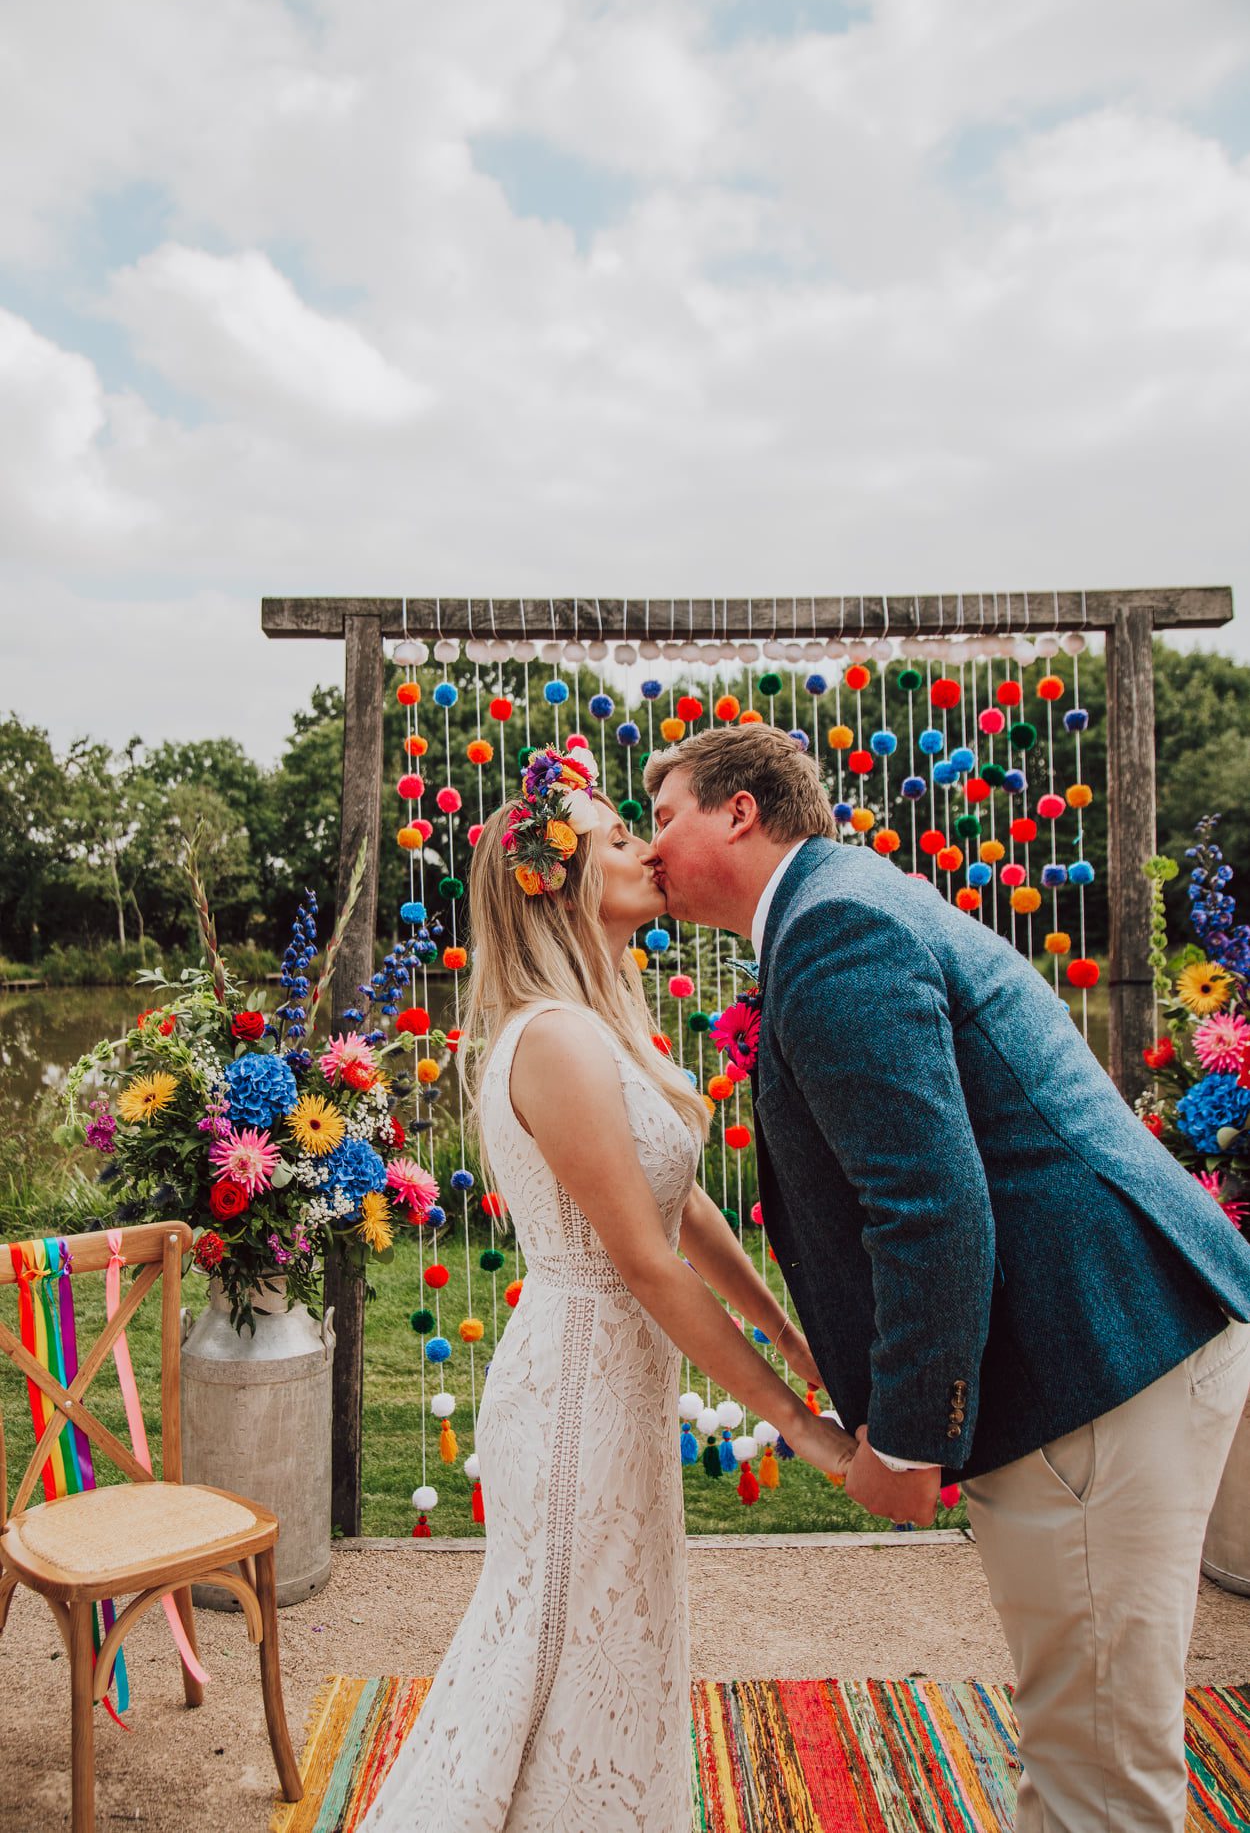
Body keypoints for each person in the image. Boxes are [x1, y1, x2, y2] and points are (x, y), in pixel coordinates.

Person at [642, 721, 1250, 1833]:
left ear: (738, 811)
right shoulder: (843, 899)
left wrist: (909, 1439)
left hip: (1090, 1360)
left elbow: (928, 1205)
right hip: (1124, 1327)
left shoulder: (832, 933)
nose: (647, 851)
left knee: (1096, 1769)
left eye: (663, 816)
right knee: (1094, 1740)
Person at [359, 740, 853, 1833]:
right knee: (549, 1648)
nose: (645, 849)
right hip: (576, 1382)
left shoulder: (611, 1026)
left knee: (616, 1648)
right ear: (563, 879)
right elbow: (640, 1258)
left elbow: (685, 1208)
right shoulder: (555, 1043)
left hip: (621, 1380)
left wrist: (797, 1335)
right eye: (621, 838)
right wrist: (797, 1428)